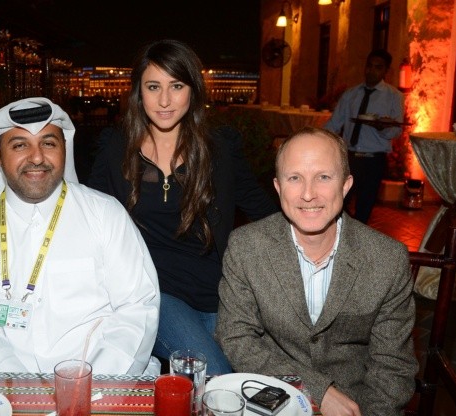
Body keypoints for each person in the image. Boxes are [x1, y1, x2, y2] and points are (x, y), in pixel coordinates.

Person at [87, 39, 277, 375]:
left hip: (218, 294)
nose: (164, 100)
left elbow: (262, 207)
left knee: (249, 377)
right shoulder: (115, 149)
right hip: (152, 294)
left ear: (193, 90)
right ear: (138, 92)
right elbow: (88, 219)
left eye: (176, 86)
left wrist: (319, 228)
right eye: (153, 86)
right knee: (217, 377)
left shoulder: (219, 148)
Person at [0, 97, 160, 374]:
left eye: (48, 143)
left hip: (104, 381)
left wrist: (88, 386)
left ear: (64, 149)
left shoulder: (105, 214)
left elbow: (137, 307)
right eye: (20, 145)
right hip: (11, 387)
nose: (37, 157)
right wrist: (21, 387)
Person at [215, 127, 417, 415]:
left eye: (323, 177)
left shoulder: (387, 259)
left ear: (346, 185)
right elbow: (236, 338)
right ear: (278, 187)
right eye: (294, 178)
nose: (308, 194)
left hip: (357, 403)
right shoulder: (247, 246)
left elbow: (393, 366)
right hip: (274, 396)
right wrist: (317, 391)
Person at [324, 49, 404, 224]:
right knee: (337, 204)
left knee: (364, 208)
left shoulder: (394, 96)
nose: (371, 70)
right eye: (369, 66)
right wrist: (316, 140)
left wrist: (382, 127)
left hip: (374, 160)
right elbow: (334, 124)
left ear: (385, 71)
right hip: (349, 157)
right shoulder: (351, 94)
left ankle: (356, 245)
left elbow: (396, 130)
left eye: (378, 67)